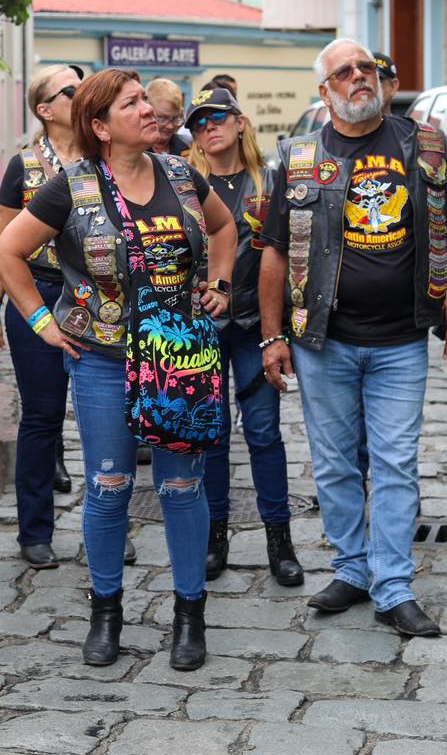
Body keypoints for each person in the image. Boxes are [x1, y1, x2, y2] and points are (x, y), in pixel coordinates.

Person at [0, 68, 237, 672]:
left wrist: (223, 285)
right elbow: (6, 251)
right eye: (133, 104)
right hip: (103, 360)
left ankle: (189, 615)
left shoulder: (181, 174)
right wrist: (42, 321)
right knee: (108, 487)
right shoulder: (69, 188)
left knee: (181, 486)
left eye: (147, 100)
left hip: (180, 357)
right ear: (101, 127)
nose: (149, 110)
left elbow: (227, 227)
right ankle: (106, 612)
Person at [258, 38, 447, 637]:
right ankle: (352, 569)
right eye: (345, 72)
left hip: (402, 338)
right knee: (332, 464)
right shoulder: (298, 157)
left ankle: (394, 584)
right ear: (324, 92)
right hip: (320, 340)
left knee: (396, 462)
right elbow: (274, 252)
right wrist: (271, 336)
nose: (360, 77)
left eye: (367, 68)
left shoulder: (423, 144)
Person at [185, 86, 303, 587]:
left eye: (217, 118)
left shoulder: (270, 181)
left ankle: (280, 538)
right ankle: (215, 536)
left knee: (262, 434)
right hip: (202, 329)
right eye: (198, 123)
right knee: (210, 439)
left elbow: (294, 254)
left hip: (257, 326)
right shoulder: (184, 183)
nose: (208, 127)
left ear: (240, 124)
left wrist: (288, 330)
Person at [0, 64, 85, 569]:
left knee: (106, 418)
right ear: (45, 109)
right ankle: (35, 529)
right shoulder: (23, 167)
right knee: (42, 417)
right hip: (37, 296)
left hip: (98, 297)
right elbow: (1, 243)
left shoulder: (106, 156)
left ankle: (106, 523)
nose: (83, 92)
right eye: (72, 89)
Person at [147, 77, 191, 157]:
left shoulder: (189, 147)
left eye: (175, 119)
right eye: (163, 118)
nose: (170, 126)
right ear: (147, 112)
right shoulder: (133, 148)